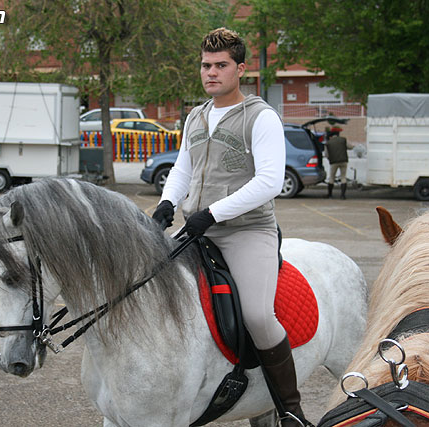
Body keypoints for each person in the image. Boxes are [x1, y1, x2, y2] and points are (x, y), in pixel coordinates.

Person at [151, 28, 308, 427]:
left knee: (257, 314)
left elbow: (270, 182)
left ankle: (290, 408)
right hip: (198, 228)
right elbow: (183, 168)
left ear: (240, 69)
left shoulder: (261, 116)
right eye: (206, 65)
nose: (211, 73)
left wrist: (212, 214)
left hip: (246, 231)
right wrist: (168, 203)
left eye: (221, 66)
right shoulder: (196, 115)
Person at [324, 127, 354, 199]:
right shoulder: (343, 140)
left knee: (332, 177)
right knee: (343, 177)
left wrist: (329, 159)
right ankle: (342, 195)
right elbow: (350, 147)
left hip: (333, 162)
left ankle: (330, 194)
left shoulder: (328, 143)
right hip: (344, 161)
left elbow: (326, 154)